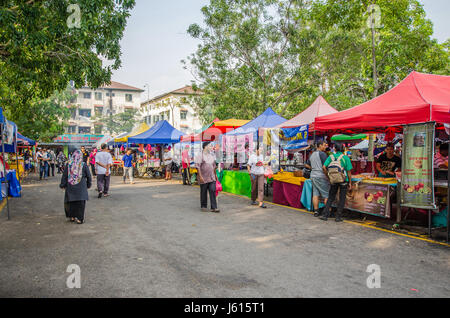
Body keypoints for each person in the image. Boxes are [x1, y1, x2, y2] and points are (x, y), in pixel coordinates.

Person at [320, 143, 353, 222]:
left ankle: (325, 215)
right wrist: (350, 183)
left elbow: (323, 167)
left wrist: (328, 176)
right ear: (343, 149)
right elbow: (349, 172)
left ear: (334, 149)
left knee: (331, 197)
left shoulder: (330, 157)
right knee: (342, 198)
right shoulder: (345, 158)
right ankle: (338, 217)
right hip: (343, 180)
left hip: (333, 180)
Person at [60, 150, 92, 224]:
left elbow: (64, 176)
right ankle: (80, 219)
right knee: (81, 204)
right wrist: (88, 184)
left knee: (71, 202)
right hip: (81, 187)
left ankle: (72, 216)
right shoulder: (83, 165)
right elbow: (88, 176)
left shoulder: (69, 164)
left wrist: (62, 184)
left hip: (71, 186)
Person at [305, 141, 330, 217]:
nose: (325, 147)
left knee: (315, 194)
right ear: (319, 146)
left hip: (313, 176)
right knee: (326, 194)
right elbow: (325, 167)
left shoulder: (312, 154)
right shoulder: (323, 154)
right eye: (324, 145)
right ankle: (327, 212)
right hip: (321, 176)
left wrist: (313, 168)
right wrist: (327, 176)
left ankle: (316, 211)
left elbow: (306, 164)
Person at [196, 142, 219, 213]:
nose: (211, 147)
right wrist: (200, 176)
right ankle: (203, 206)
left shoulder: (211, 155)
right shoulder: (200, 155)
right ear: (205, 147)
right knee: (203, 192)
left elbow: (214, 166)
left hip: (212, 177)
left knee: (212, 190)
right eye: (210, 146)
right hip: (203, 177)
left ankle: (214, 207)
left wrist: (215, 175)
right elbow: (198, 167)